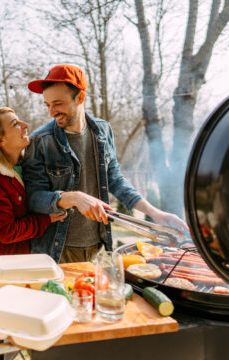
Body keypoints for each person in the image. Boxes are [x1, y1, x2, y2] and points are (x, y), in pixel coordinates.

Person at [23, 64, 188, 264]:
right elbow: (33, 198)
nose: (51, 112)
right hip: (54, 251)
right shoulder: (40, 141)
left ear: (80, 98)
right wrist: (73, 197)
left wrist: (155, 213)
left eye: (58, 103)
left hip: (97, 249)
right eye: (47, 104)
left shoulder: (103, 131)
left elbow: (115, 179)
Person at [0, 107, 66, 273]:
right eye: (15, 124)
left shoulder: (26, 166)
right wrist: (44, 220)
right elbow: (5, 232)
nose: (25, 125)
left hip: (23, 261)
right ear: (0, 140)